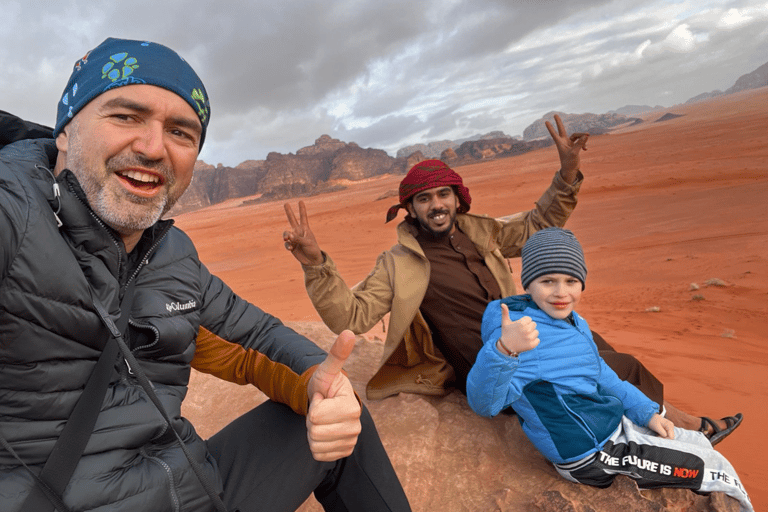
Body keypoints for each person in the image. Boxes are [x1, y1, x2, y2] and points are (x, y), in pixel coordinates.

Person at [0, 38, 411, 512]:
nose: (153, 148)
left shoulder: (170, 253)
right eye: (125, 116)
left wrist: (319, 381)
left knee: (340, 423)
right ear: (66, 131)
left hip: (191, 492)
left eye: (181, 132)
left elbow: (255, 338)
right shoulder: (15, 214)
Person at [282, 121, 741, 443]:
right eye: (424, 199)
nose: (436, 205)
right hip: (493, 363)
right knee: (606, 371)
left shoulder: (482, 232)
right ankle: (692, 431)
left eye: (443, 194)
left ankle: (674, 426)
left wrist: (566, 175)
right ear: (410, 209)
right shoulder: (398, 262)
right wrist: (315, 263)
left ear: (457, 199)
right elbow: (351, 315)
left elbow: (539, 224)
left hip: (534, 333)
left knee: (610, 354)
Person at [465, 228, 752, 512]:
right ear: (528, 284)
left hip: (612, 427)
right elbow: (485, 404)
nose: (561, 292)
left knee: (699, 441)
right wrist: (505, 350)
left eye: (571, 280)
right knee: (716, 467)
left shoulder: (573, 321)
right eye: (547, 280)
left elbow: (601, 374)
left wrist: (646, 413)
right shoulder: (523, 335)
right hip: (590, 456)